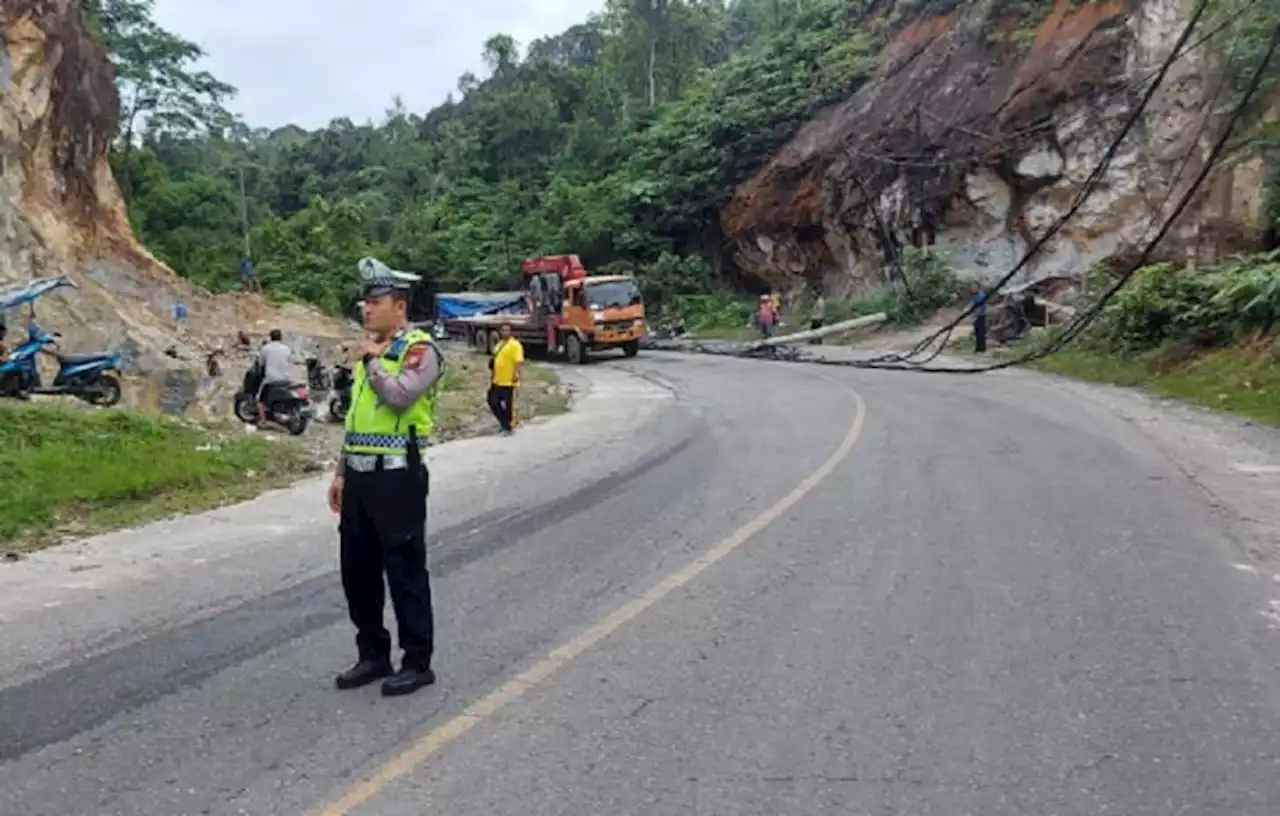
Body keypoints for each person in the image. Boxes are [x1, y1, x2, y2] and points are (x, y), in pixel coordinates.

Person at [327, 257, 444, 697]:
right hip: (360, 480)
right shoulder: (368, 355)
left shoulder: (421, 350)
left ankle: (417, 661)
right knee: (357, 571)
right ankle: (373, 654)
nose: (367, 309)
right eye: (365, 301)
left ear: (399, 305)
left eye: (375, 302)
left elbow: (400, 396)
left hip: (398, 480)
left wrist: (376, 363)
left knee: (405, 571)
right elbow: (356, 422)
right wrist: (341, 473)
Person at [488, 323, 523, 435]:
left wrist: (516, 375)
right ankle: (504, 423)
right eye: (503, 330)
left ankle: (508, 427)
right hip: (497, 380)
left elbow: (518, 361)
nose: (505, 332)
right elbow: (494, 360)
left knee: (508, 405)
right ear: (500, 332)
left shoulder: (515, 345)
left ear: (511, 332)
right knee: (492, 401)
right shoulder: (499, 345)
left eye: (508, 330)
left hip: (508, 380)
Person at [256, 328, 294, 425]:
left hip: (271, 379)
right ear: (281, 338)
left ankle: (263, 420)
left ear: (270, 337)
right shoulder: (286, 349)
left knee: (259, 399)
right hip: (286, 379)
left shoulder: (266, 349)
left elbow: (260, 363)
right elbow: (289, 361)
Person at [971, 281, 988, 354]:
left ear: (978, 287)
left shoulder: (981, 295)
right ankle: (978, 348)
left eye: (974, 286)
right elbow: (972, 304)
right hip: (976, 315)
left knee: (981, 332)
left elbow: (981, 307)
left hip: (981, 315)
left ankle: (982, 349)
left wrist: (976, 316)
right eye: (972, 286)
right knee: (977, 332)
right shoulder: (974, 295)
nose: (972, 288)